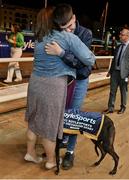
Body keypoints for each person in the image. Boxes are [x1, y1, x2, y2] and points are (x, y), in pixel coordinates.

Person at [24, 6, 95, 170]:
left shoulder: (40, 38)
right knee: (50, 127)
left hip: (35, 83)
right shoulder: (67, 38)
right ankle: (51, 161)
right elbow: (90, 59)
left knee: (33, 121)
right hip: (53, 85)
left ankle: (30, 152)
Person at [45, 3, 95, 170]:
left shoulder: (85, 33)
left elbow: (82, 64)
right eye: (63, 29)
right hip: (63, 80)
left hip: (80, 80)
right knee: (60, 114)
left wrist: (61, 53)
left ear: (74, 17)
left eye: (69, 26)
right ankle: (58, 143)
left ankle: (70, 152)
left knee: (73, 115)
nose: (67, 31)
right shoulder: (60, 32)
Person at [104, 27, 129, 114]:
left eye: (122, 35)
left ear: (127, 36)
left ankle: (123, 107)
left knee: (123, 91)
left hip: (125, 74)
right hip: (115, 72)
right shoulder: (118, 46)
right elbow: (115, 60)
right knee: (112, 91)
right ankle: (110, 107)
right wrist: (110, 71)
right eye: (120, 34)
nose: (120, 36)